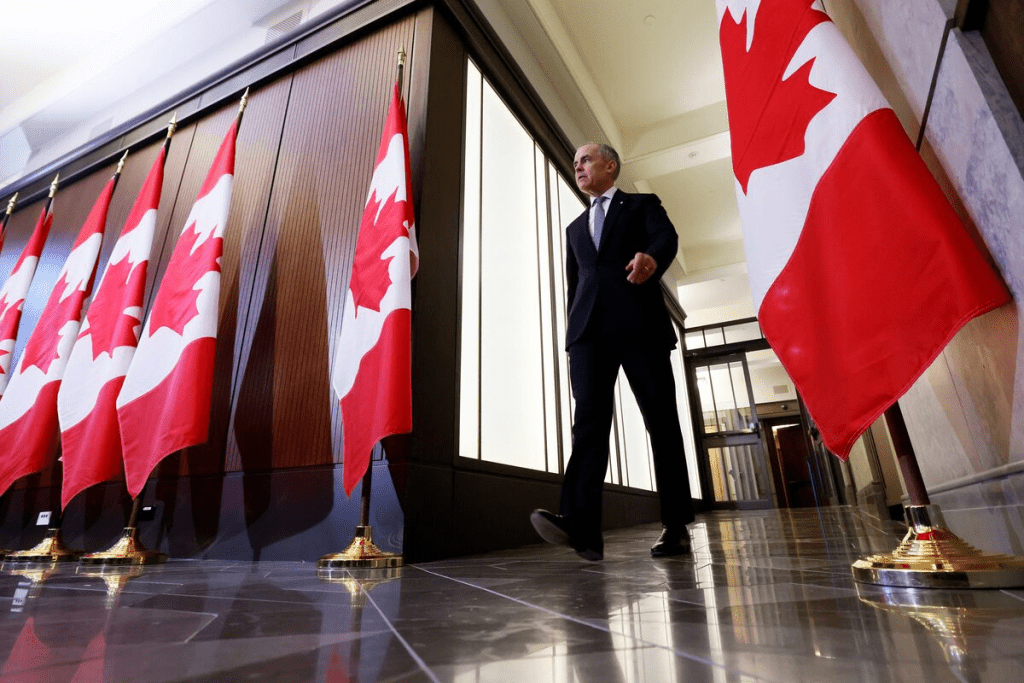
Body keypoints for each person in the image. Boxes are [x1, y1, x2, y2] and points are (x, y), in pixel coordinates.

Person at [530, 143, 695, 561]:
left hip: (640, 325)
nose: (578, 167)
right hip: (588, 335)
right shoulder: (574, 229)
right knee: (588, 422)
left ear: (610, 165)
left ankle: (675, 526)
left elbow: (666, 238)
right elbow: (575, 287)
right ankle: (582, 527)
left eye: (586, 159)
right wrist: (572, 336)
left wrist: (651, 258)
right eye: (575, 163)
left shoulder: (641, 205)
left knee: (661, 422)